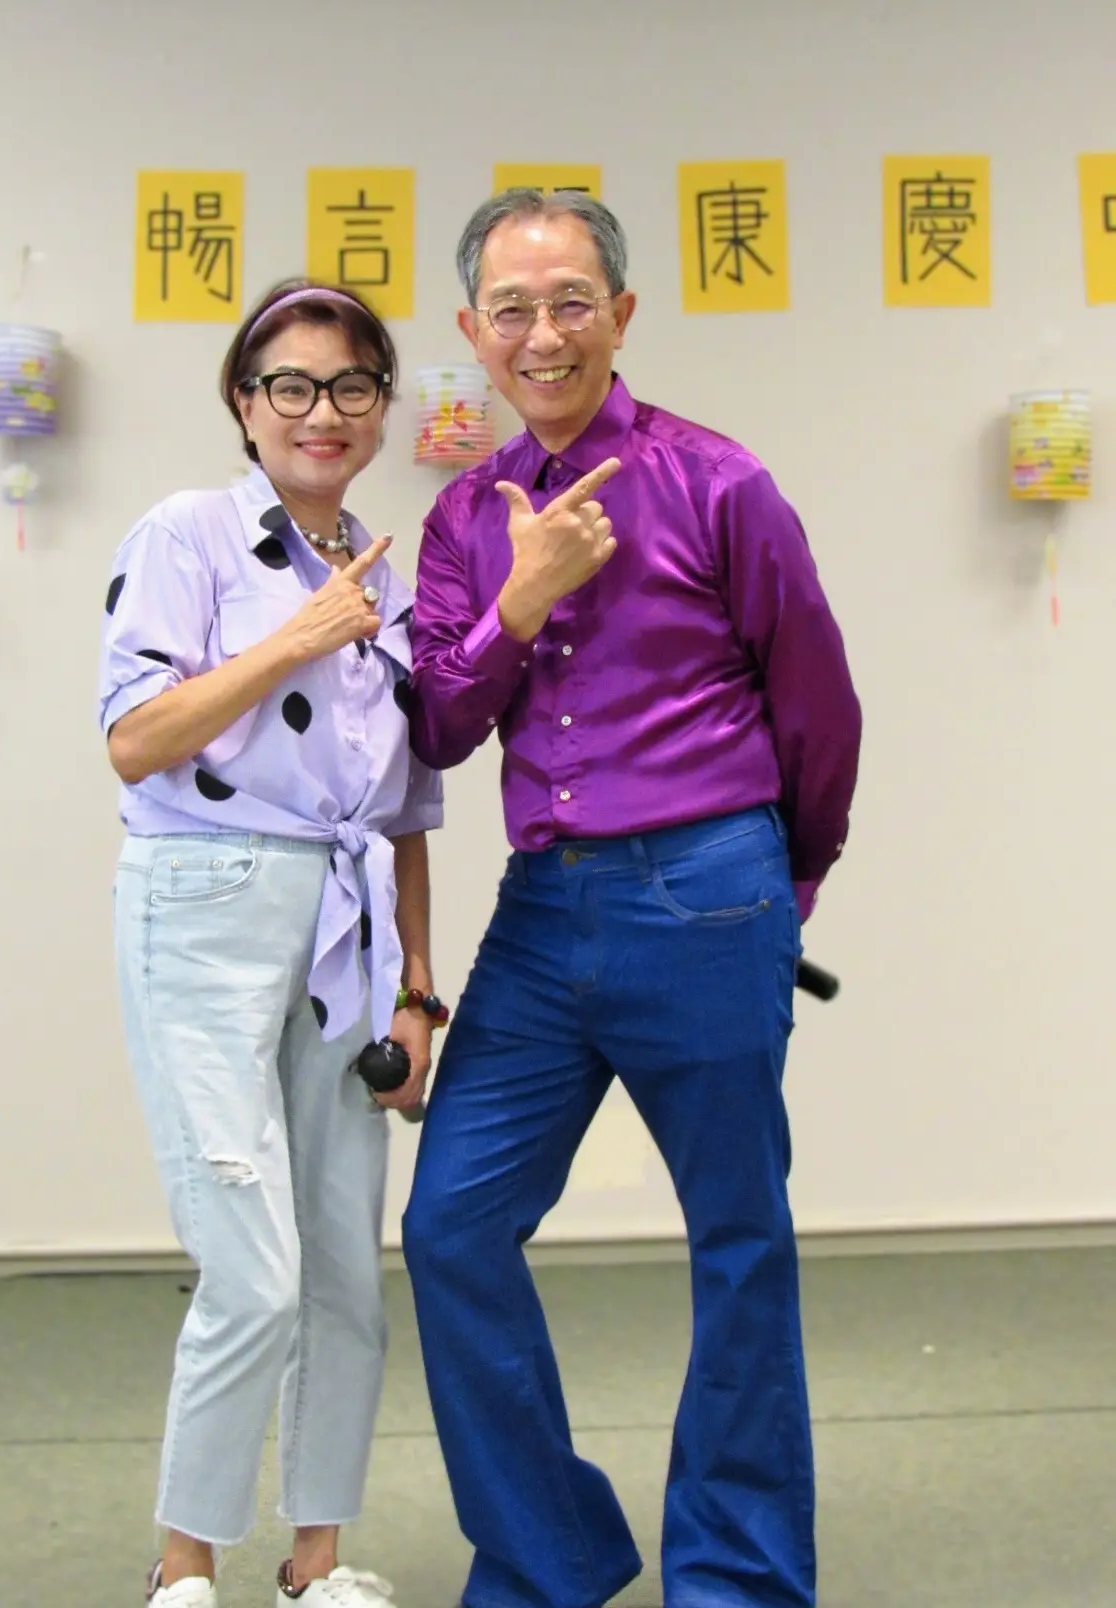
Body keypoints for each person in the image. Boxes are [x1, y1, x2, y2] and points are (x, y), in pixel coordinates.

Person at [401, 190, 862, 1608]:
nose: (544, 335)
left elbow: (819, 706)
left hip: (707, 890)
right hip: (540, 913)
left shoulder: (718, 481)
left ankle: (734, 1574)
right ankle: (552, 1552)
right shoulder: (466, 517)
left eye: (572, 301)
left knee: (740, 1240)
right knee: (450, 1228)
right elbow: (435, 728)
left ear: (622, 315)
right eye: (514, 309)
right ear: (474, 332)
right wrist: (518, 602)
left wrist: (781, 887)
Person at [100, 278, 445, 1608]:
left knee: (347, 1260)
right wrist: (296, 638)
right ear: (245, 407)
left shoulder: (385, 572)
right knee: (252, 1264)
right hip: (204, 904)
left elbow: (407, 811)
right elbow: (134, 741)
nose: (321, 411)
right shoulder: (186, 534)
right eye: (289, 386)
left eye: (351, 386)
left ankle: (318, 1557)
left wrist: (420, 992)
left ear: (378, 411)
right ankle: (183, 1564)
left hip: (350, 931)